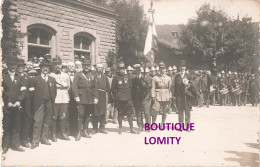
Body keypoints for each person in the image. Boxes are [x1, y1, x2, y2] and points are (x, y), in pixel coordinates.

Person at [2, 56, 26, 153]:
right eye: (11, 64)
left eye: (15, 65)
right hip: (6, 106)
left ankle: (16, 145)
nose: (13, 67)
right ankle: (5, 146)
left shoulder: (20, 77)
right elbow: (1, 92)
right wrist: (7, 102)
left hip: (17, 106)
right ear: (7, 65)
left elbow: (23, 91)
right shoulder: (2, 76)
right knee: (6, 126)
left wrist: (19, 101)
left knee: (16, 126)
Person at [30, 61, 57, 149]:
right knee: (38, 121)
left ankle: (44, 139)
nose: (45, 69)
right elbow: (32, 92)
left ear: (49, 69)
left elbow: (54, 92)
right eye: (43, 67)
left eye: (47, 67)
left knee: (47, 121)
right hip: (39, 102)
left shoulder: (52, 79)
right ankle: (35, 141)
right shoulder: (35, 79)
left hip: (49, 102)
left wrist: (51, 101)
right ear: (40, 68)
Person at [72, 60, 98, 141]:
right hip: (81, 97)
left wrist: (96, 97)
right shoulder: (78, 74)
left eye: (88, 65)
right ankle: (79, 132)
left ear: (90, 66)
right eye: (85, 65)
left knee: (87, 115)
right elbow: (74, 86)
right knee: (80, 115)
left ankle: (85, 131)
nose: (86, 67)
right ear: (82, 66)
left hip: (90, 98)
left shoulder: (93, 74)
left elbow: (95, 87)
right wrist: (76, 96)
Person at [111, 63, 137, 134]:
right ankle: (120, 128)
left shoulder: (128, 77)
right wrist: (117, 96)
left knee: (129, 114)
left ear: (124, 69)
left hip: (128, 98)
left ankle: (131, 128)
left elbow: (131, 87)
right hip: (120, 99)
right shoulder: (115, 78)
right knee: (120, 113)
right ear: (118, 70)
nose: (121, 70)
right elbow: (113, 89)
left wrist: (130, 96)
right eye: (120, 69)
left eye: (123, 69)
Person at [51, 63, 71, 141]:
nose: (57, 66)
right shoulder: (51, 75)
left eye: (59, 65)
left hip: (64, 96)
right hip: (55, 96)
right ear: (53, 66)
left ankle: (63, 133)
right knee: (54, 116)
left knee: (63, 115)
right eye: (55, 65)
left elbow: (68, 86)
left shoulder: (65, 75)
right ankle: (53, 134)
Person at [17, 59, 32, 148]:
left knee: (26, 121)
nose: (20, 68)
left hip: (26, 103)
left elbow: (31, 90)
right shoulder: (15, 77)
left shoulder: (28, 78)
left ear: (24, 67)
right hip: (17, 102)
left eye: (22, 66)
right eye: (19, 66)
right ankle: (16, 141)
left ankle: (24, 140)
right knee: (16, 121)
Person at [93, 64, 111, 134]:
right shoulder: (93, 76)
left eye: (100, 67)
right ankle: (95, 128)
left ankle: (102, 127)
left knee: (103, 112)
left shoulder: (105, 77)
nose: (99, 69)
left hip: (103, 96)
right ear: (96, 68)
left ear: (102, 69)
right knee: (95, 112)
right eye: (98, 67)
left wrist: (109, 98)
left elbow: (108, 88)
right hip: (95, 95)